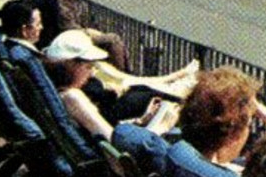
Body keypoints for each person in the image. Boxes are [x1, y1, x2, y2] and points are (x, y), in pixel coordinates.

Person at [42, 31, 185, 141]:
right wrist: (159, 127)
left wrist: (138, 122)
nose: (92, 73)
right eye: (88, 66)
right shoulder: (73, 97)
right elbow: (113, 145)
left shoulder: (59, 93)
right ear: (72, 66)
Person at [23, 0, 129, 70]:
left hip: (44, 35)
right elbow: (67, 26)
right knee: (113, 41)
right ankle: (125, 79)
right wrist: (87, 33)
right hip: (52, 41)